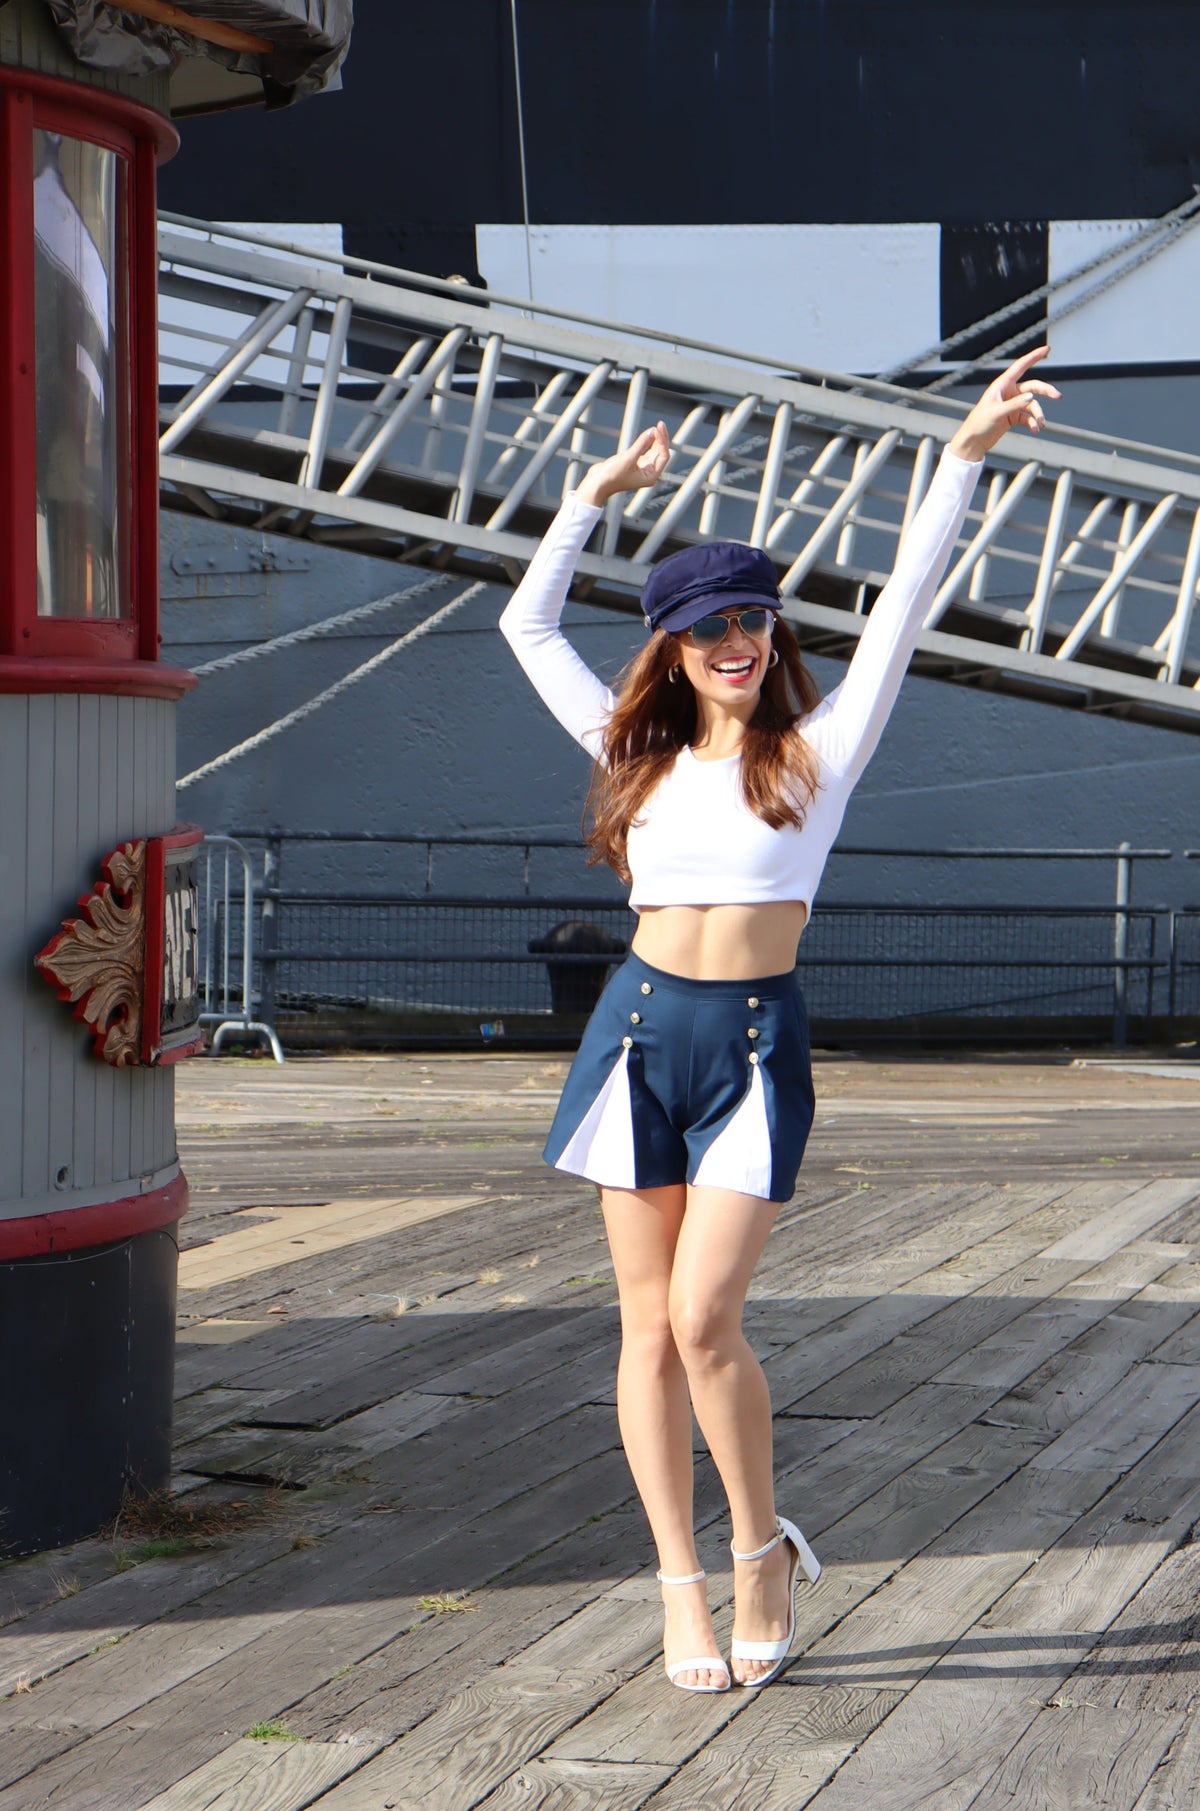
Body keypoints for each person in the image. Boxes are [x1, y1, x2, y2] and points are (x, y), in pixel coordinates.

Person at [499, 348, 1059, 1693]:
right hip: (635, 1036)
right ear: (676, 653)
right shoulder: (629, 758)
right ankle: (679, 1590)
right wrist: (590, 493)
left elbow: (908, 608)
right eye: (709, 632)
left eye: (751, 622)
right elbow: (526, 628)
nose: (736, 645)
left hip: (753, 1046)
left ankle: (760, 1545)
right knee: (639, 1327)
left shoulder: (818, 753)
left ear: (770, 635)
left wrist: (962, 455)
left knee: (704, 1321)